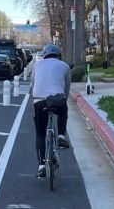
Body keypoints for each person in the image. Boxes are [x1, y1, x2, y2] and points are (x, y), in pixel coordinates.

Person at [32, 43, 71, 178]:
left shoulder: (37, 65)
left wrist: (35, 100)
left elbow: (33, 84)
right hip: (57, 98)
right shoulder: (64, 66)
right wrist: (64, 102)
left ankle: (41, 165)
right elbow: (66, 87)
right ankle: (60, 136)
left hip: (39, 100)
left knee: (40, 134)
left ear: (45, 55)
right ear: (58, 55)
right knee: (63, 111)